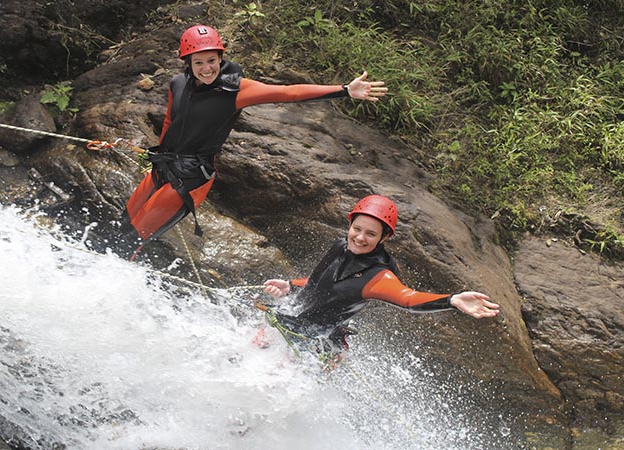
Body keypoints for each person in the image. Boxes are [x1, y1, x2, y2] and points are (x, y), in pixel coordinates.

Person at [117, 24, 388, 257]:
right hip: (163, 167)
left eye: (212, 60)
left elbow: (287, 92)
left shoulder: (235, 90)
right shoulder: (178, 84)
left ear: (220, 58)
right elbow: (169, 123)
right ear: (187, 62)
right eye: (198, 62)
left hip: (190, 178)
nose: (206, 68)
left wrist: (343, 91)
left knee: (135, 238)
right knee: (122, 225)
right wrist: (154, 156)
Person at [259, 194, 500, 354]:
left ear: (385, 238)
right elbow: (318, 282)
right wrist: (290, 285)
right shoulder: (339, 246)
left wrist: (452, 300)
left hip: (317, 343)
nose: (360, 238)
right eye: (357, 229)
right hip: (293, 321)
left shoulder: (378, 277)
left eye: (371, 234)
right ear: (350, 225)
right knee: (252, 346)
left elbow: (408, 299)